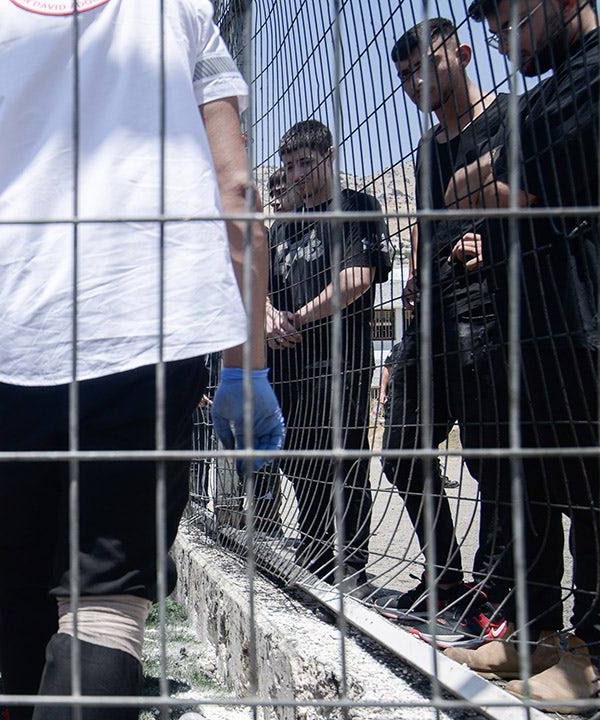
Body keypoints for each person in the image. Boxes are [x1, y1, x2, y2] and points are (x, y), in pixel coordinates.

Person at [0, 4, 281, 717]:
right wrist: (245, 366)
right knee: (104, 605)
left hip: (0, 343)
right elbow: (239, 193)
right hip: (147, 330)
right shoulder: (179, 9)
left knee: (22, 590)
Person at [445, 0, 600, 707]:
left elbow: (526, 184)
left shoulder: (591, 78)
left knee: (592, 492)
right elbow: (466, 188)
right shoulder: (542, 96)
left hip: (582, 314)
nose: (496, 29)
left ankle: (592, 650)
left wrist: (495, 180)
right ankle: (539, 632)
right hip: (536, 320)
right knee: (535, 483)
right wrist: (498, 181)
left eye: (506, 11)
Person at [370, 18, 511, 647]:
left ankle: (496, 593)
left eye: (420, 67)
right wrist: (418, 279)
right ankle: (447, 576)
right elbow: (427, 227)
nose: (411, 83)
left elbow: (536, 200)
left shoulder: (509, 117)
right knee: (401, 443)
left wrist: (496, 243)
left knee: (491, 460)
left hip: (492, 310)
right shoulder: (428, 151)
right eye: (401, 76)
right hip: (433, 313)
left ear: (460, 51)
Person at [266, 119, 389, 591]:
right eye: (289, 165)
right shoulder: (283, 227)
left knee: (342, 458)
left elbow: (356, 280)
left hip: (338, 360)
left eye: (305, 162)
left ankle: (350, 561)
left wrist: (296, 317)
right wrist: (269, 315)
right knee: (296, 457)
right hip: (288, 365)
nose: (296, 173)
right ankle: (317, 550)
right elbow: (261, 288)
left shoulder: (357, 208)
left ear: (329, 156)